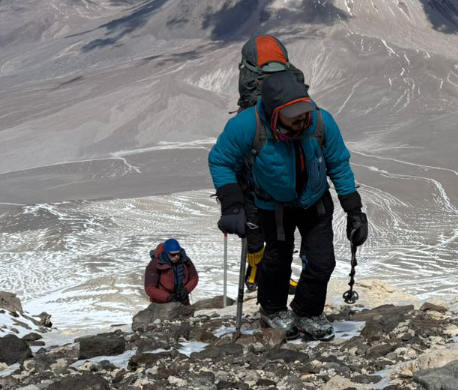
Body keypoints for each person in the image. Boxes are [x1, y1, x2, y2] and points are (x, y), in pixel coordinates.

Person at [208, 68, 368, 341]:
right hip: (273, 205)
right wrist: (232, 205)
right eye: (293, 116)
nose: (302, 120)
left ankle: (307, 312)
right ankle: (271, 310)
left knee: (322, 261)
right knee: (277, 259)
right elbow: (220, 160)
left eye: (304, 112)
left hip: (315, 201)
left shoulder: (321, 121)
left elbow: (339, 164)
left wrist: (354, 211)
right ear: (273, 112)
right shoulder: (247, 125)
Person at [235, 35, 308, 295]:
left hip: (253, 179)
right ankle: (269, 278)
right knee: (280, 231)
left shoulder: (249, 104)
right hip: (285, 176)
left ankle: (258, 276)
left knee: (259, 225)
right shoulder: (292, 82)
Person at [144, 239, 199, 305]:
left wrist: (186, 289)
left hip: (182, 301)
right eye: (173, 255)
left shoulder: (185, 260)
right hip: (161, 304)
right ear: (166, 253)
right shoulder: (155, 263)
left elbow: (194, 277)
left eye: (178, 253)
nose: (177, 257)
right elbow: (149, 288)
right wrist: (169, 297)